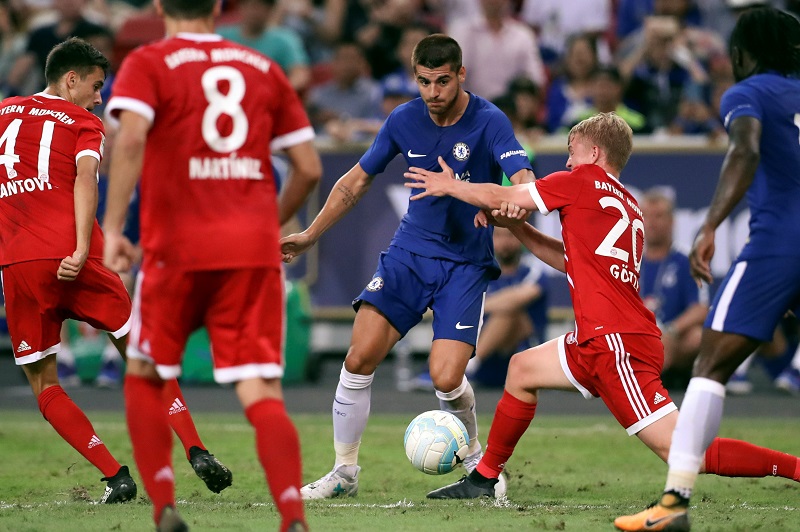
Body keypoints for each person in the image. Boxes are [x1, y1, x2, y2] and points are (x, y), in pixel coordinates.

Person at [402, 112, 800, 504]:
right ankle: (484, 477)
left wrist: (451, 186)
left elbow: (504, 195)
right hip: (602, 336)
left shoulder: (580, 182)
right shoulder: (628, 205)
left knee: (684, 451)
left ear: (594, 151)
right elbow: (570, 259)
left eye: (572, 152)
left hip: (615, 343)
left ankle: (796, 468)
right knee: (522, 370)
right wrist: (518, 228)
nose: (568, 161)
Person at [281, 33, 535, 500]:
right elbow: (355, 182)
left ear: (461, 75)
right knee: (358, 358)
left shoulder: (489, 120)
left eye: (443, 81)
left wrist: (518, 199)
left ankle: (479, 463)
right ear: (415, 77)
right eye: (424, 82)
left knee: (445, 376)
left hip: (464, 262)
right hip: (409, 253)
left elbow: (522, 175)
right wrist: (311, 234)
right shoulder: (403, 119)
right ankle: (343, 473)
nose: (433, 92)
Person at [103, 0, 322, 529]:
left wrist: (112, 229)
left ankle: (163, 506)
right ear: (219, 7)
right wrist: (266, 225)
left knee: (145, 372)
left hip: (176, 247)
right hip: (249, 253)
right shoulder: (261, 67)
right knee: (259, 390)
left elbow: (130, 138)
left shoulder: (148, 62)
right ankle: (292, 515)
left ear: (159, 5)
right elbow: (310, 168)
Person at [0, 36, 230, 505]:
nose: (100, 96)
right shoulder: (83, 120)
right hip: (73, 256)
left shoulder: (3, 112)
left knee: (45, 384)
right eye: (96, 85)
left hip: (19, 263)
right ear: (71, 80)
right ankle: (196, 448)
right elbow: (85, 178)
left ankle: (114, 475)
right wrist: (83, 247)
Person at [615, 7, 800, 530]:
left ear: (742, 54)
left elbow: (744, 149)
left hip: (782, 239)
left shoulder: (746, 94)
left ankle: (674, 503)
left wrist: (711, 223)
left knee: (711, 364)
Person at [639, 188, 708, 389]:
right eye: (646, 216)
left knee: (697, 336)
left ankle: (675, 375)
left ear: (672, 221)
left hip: (673, 335)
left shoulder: (686, 259)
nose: (651, 223)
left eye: (658, 216)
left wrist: (671, 330)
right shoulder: (630, 257)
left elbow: (700, 308)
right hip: (638, 334)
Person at [466, 226, 548, 388]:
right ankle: (458, 366)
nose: (505, 242)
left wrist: (478, 304)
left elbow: (518, 299)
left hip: (525, 358)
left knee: (510, 312)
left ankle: (468, 367)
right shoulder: (480, 272)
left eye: (511, 235)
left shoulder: (533, 270)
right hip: (487, 362)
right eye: (499, 236)